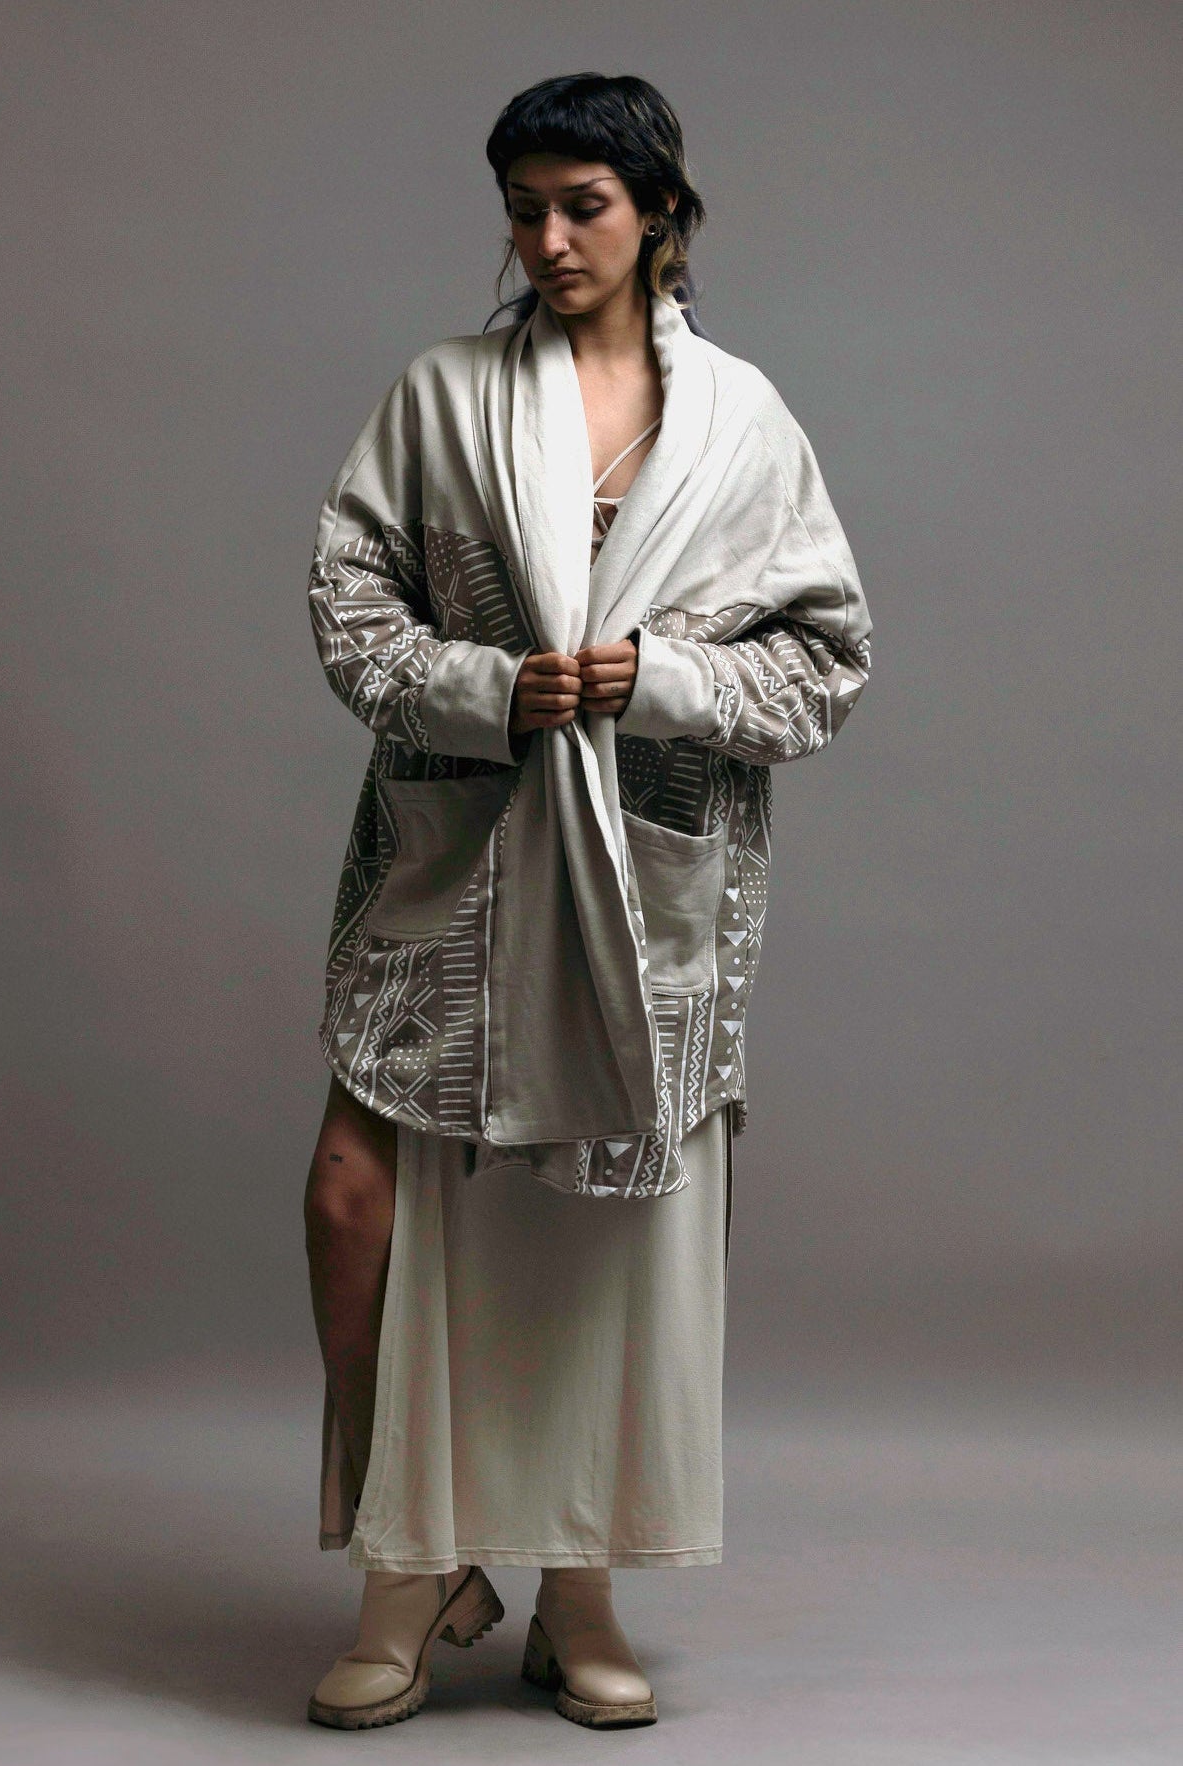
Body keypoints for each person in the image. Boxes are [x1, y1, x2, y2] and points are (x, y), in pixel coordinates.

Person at [302, 71, 872, 1731]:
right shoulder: (441, 395)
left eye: (582, 207)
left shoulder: (743, 422)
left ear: (660, 214)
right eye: (523, 210)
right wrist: (490, 687)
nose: (547, 241)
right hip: (455, 871)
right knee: (358, 1196)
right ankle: (409, 1566)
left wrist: (662, 679)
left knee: (600, 1246)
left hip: (646, 893)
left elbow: (826, 662)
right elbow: (349, 609)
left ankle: (577, 1587)